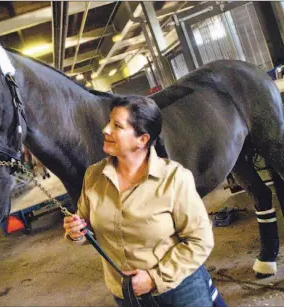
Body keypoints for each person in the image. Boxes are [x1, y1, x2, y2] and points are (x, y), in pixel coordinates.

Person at [63, 95, 227, 307]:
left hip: (179, 292)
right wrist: (75, 232)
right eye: (108, 122)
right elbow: (87, 227)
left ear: (142, 139)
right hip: (128, 296)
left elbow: (200, 241)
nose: (105, 130)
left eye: (117, 126)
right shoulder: (94, 176)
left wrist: (154, 278)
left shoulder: (174, 178)